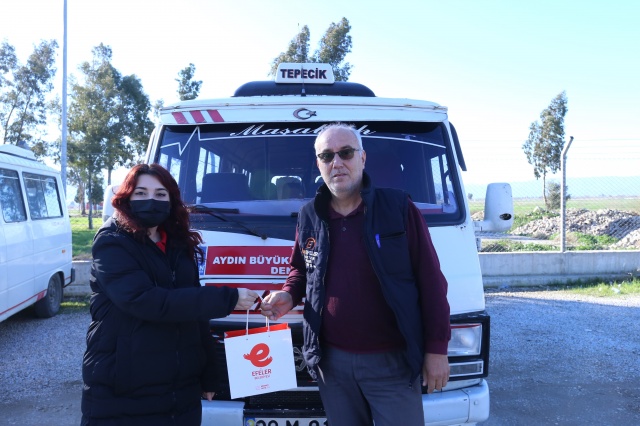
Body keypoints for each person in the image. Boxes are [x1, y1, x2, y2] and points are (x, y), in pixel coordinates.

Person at [261, 123, 451, 426]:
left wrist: (437, 349)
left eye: (346, 153)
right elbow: (302, 268)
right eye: (327, 156)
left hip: (393, 363)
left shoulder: (398, 208)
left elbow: (431, 281)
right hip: (332, 364)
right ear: (319, 165)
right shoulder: (309, 215)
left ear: (362, 158)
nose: (337, 162)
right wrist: (288, 293)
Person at [81, 164, 259, 426]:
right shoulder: (112, 241)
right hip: (125, 386)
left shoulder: (177, 242)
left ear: (172, 200)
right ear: (126, 197)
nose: (151, 200)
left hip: (179, 390)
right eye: (141, 193)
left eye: (160, 194)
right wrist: (228, 299)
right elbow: (145, 301)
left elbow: (195, 313)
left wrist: (209, 375)